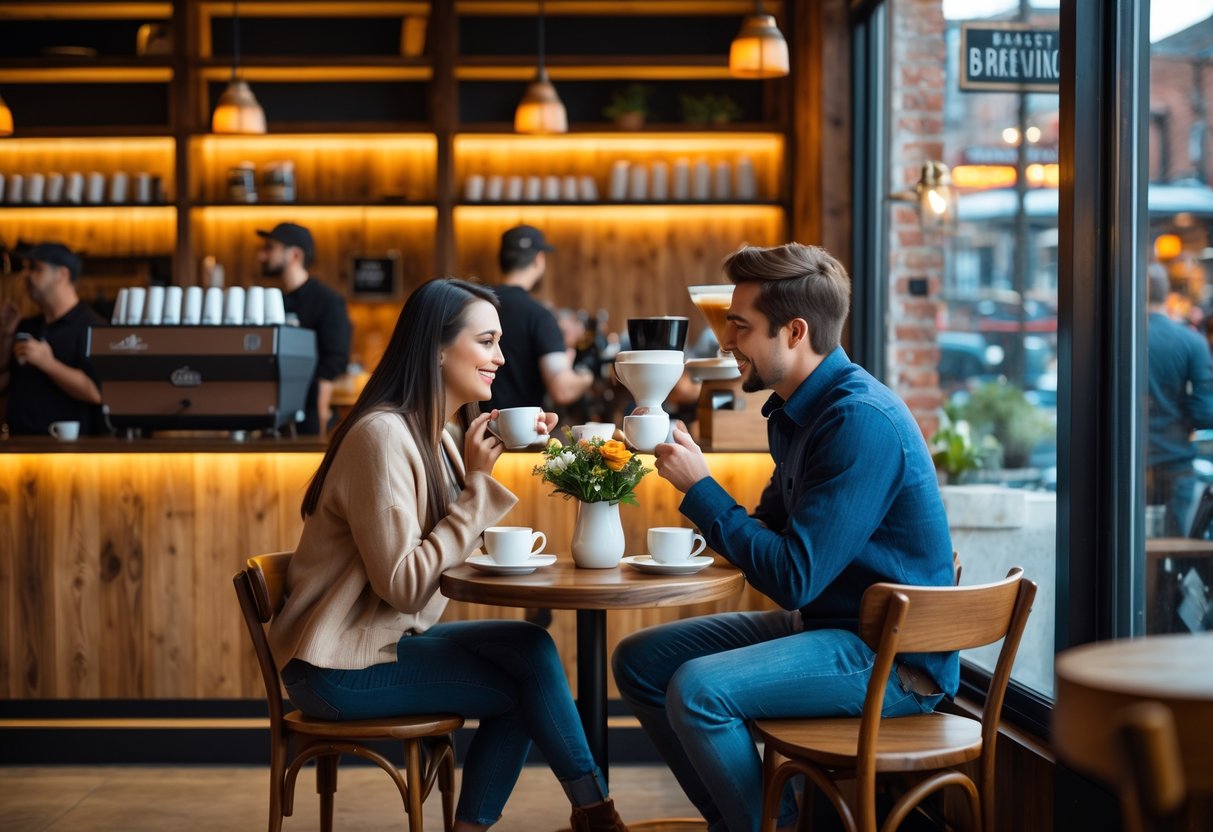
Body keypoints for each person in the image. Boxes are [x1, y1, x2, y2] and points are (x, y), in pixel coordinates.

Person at [611, 243, 956, 832]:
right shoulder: (797, 411)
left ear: (794, 332)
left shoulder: (857, 421)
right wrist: (703, 490)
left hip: (889, 659)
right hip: (832, 626)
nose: (725, 342)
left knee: (697, 691)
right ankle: (749, 819)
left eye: (740, 327)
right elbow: (770, 530)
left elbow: (793, 577)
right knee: (642, 661)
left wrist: (702, 492)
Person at [267, 278, 629, 832]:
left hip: (378, 646)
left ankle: (591, 814)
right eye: (486, 342)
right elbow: (407, 586)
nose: (501, 357)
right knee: (521, 694)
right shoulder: (382, 436)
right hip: (335, 668)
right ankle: (593, 816)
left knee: (531, 645)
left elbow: (449, 556)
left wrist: (486, 467)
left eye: (499, 342)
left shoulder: (435, 436)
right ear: (436, 347)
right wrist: (478, 486)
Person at [482, 225, 594, 414]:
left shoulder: (476, 305)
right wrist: (587, 376)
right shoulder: (538, 315)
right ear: (539, 259)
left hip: (472, 430)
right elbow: (563, 390)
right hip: (519, 437)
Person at [0, 242, 105, 436]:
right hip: (16, 449)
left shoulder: (93, 326)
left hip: (69, 453)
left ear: (62, 275)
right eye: (25, 269)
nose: (25, 276)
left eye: (35, 268)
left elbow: (97, 393)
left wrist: (47, 363)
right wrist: (6, 336)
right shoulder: (26, 325)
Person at [256, 222, 351, 435]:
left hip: (308, 417)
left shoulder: (328, 302)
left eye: (270, 248)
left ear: (295, 255)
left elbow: (334, 362)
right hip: (270, 414)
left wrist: (320, 417)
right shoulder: (273, 301)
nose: (261, 256)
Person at [1146, 261, 1213, 537]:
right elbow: (1205, 413)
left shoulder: (1116, 336)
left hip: (1124, 463)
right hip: (1175, 463)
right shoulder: (1191, 341)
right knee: (1173, 558)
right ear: (1167, 294)